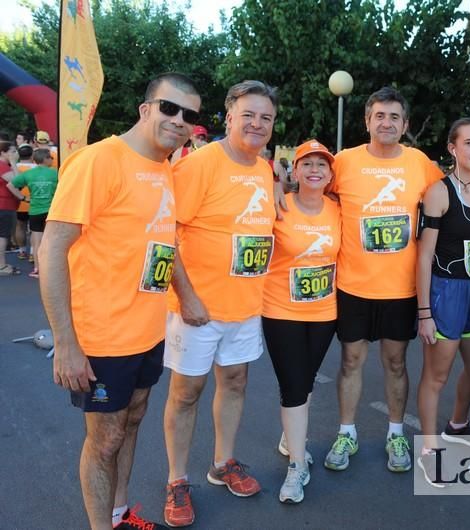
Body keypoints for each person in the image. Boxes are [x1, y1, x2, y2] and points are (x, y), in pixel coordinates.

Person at [39, 72, 201, 530]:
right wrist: (66, 341)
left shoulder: (165, 166)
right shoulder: (99, 160)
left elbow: (163, 241)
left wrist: (184, 296)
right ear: (145, 109)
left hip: (148, 330)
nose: (179, 120)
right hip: (102, 336)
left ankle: (119, 513)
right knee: (105, 439)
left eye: (189, 115)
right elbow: (51, 250)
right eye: (169, 108)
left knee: (133, 419)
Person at [161, 80, 281, 528]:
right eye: (248, 114)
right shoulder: (201, 164)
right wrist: (186, 295)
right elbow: (165, 230)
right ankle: (176, 480)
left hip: (245, 306)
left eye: (265, 117)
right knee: (185, 393)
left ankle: (223, 463)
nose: (257, 123)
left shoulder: (265, 169)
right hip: (197, 308)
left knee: (234, 382)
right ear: (229, 117)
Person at [323, 86, 443, 473]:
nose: (386, 122)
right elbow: (314, 195)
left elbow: (452, 194)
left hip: (400, 288)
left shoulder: (420, 162)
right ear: (367, 121)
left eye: (394, 117)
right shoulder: (343, 161)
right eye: (379, 116)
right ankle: (346, 432)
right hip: (353, 285)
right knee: (351, 360)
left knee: (395, 362)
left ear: (405, 124)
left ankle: (395, 433)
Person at [261, 139, 341, 503]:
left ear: (329, 174)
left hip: (324, 312)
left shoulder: (338, 209)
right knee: (293, 385)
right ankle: (297, 465)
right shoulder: (277, 204)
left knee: (305, 381)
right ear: (294, 170)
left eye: (321, 164)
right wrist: (272, 180)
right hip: (281, 310)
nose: (314, 170)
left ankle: (289, 436)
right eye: (306, 163)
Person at [415, 118, 470, 486]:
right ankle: (429, 450)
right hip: (446, 292)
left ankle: (457, 423)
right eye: (469, 143)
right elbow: (422, 255)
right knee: (437, 375)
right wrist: (424, 312)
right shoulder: (439, 192)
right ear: (452, 148)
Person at [7, 148, 57, 278]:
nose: (52, 159)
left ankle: (38, 269)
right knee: (53, 241)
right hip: (52, 212)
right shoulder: (55, 173)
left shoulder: (29, 174)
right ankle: (53, 269)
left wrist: (23, 198)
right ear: (45, 159)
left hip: (35, 211)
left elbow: (10, 185)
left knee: (37, 241)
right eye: (50, 157)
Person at [11, 144, 35, 260]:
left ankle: (21, 252)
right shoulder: (36, 168)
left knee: (20, 227)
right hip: (34, 203)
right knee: (34, 229)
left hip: (19, 202)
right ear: (32, 155)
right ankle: (32, 253)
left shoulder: (14, 167)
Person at [0, 141, 20, 276]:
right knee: (2, 236)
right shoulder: (2, 166)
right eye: (12, 152)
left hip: (6, 205)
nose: (15, 154)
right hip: (3, 205)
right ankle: (1, 266)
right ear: (3, 152)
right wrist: (13, 163)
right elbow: (17, 181)